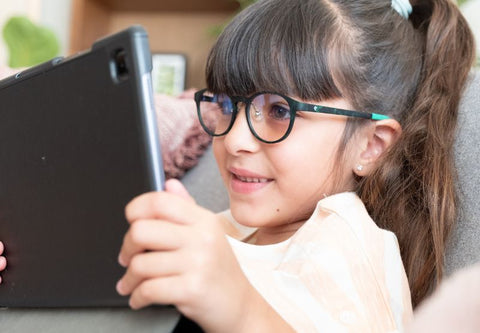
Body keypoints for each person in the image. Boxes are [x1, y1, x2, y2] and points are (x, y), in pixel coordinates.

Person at [0, 0, 476, 331]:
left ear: (371, 146)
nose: (234, 138)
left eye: (280, 111)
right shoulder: (224, 227)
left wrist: (241, 309)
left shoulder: (347, 242)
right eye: (227, 105)